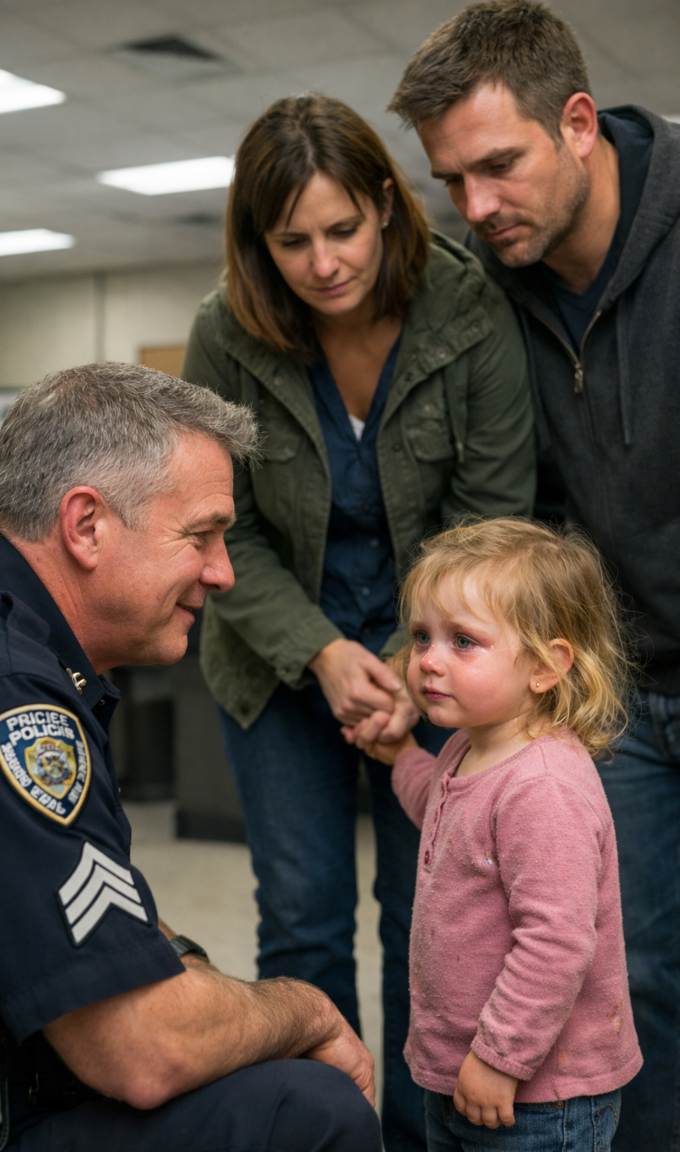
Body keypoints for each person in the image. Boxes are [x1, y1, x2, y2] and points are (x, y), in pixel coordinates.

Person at [182, 93, 535, 1151]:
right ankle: (324, 1137)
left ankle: (422, 1140)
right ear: (259, 242)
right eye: (292, 241)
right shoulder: (223, 333)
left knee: (433, 926)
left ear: (386, 205)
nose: (324, 263)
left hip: (439, 656)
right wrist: (325, 653)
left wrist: (400, 664)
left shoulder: (470, 312)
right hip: (275, 659)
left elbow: (492, 519)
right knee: (303, 919)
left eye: (343, 229)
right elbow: (221, 533)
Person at [0, 362, 381, 1152]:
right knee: (308, 1107)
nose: (223, 571)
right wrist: (306, 1008)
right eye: (201, 535)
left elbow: (96, 907)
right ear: (86, 525)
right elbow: (140, 1048)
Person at [389, 4, 680, 1147]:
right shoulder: (482, 280)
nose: (476, 207)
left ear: (576, 123)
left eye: (498, 166)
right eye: (450, 179)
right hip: (611, 686)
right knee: (639, 976)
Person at [356, 518, 642, 1151]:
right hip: (463, 1073)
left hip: (537, 1096)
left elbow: (556, 942)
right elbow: (441, 805)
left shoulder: (544, 787)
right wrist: (401, 753)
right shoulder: (469, 746)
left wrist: (498, 1058)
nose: (428, 660)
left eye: (463, 641)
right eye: (423, 636)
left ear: (545, 666)